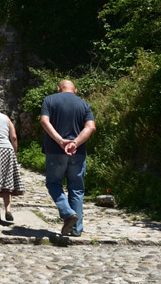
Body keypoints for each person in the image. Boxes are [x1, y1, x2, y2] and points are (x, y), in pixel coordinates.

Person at [40, 79, 96, 237]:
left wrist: (60, 141)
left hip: (55, 151)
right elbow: (91, 126)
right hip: (77, 152)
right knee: (77, 188)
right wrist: (75, 143)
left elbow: (44, 121)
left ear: (58, 89)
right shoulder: (84, 104)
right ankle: (76, 229)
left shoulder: (49, 100)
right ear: (75, 90)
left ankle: (67, 213)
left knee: (53, 183)